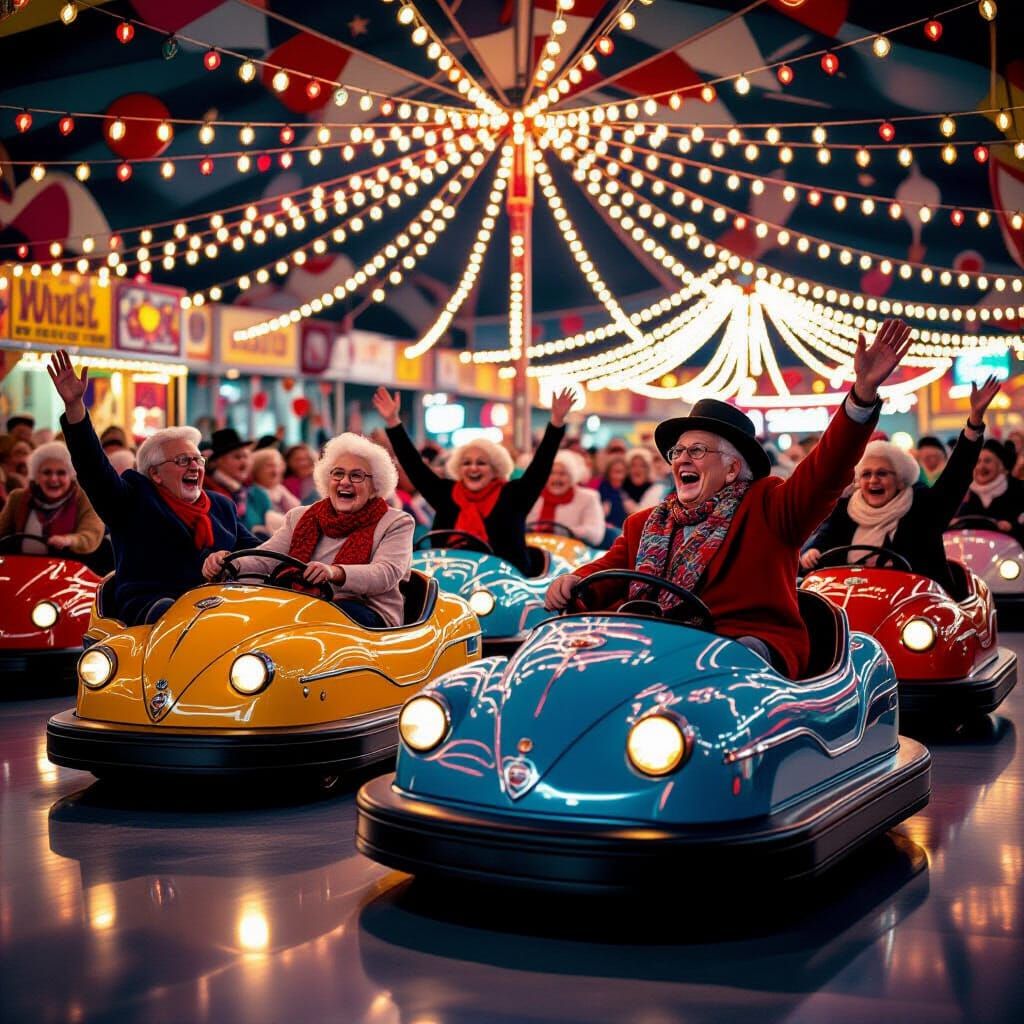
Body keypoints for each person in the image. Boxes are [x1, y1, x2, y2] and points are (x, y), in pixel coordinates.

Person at [545, 320, 915, 679]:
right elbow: (605, 574)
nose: (683, 460)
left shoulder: (769, 506)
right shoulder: (644, 524)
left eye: (699, 450)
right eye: (678, 452)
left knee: (729, 663)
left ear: (733, 469)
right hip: (651, 648)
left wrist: (861, 396)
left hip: (738, 649)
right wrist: (573, 581)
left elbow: (825, 472)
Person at [46, 349, 258, 625]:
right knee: (173, 615)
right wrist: (75, 408)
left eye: (198, 459)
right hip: (153, 609)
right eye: (183, 460)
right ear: (155, 473)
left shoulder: (221, 506)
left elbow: (259, 552)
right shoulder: (131, 500)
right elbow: (93, 467)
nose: (195, 466)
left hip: (218, 609)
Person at [801, 376, 1000, 597]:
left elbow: (956, 478)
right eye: (866, 474)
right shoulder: (845, 510)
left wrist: (974, 422)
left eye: (882, 473)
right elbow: (822, 541)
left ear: (901, 478)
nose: (873, 480)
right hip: (852, 606)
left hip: (914, 607)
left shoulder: (922, 506)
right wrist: (812, 552)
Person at [203, 433, 412, 628]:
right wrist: (228, 563)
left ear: (376, 485)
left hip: (367, 612)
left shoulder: (396, 522)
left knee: (316, 617)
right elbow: (267, 557)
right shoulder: (301, 516)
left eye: (357, 476)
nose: (344, 482)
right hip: (301, 605)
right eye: (338, 473)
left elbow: (385, 573)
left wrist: (334, 572)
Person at [373, 386, 575, 576]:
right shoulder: (446, 494)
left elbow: (541, 466)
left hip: (502, 581)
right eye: (467, 463)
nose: (473, 468)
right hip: (448, 576)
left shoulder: (514, 496)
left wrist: (556, 423)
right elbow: (414, 466)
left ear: (495, 469)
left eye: (481, 463)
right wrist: (393, 422)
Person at [0, 441, 103, 556]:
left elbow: (91, 536)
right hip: (20, 567)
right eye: (47, 472)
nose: (53, 479)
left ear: (71, 477)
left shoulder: (85, 499)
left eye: (61, 473)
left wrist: (69, 540)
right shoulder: (18, 498)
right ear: (36, 476)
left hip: (66, 569)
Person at [527, 450, 605, 546]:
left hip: (570, 553)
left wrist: (567, 531)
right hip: (532, 549)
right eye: (552, 473)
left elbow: (595, 534)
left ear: (572, 476)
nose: (556, 479)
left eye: (562, 474)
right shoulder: (532, 495)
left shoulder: (588, 498)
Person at [956, 437, 1024, 543]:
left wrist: (1012, 527)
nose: (981, 466)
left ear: (1001, 466)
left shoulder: (1018, 490)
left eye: (987, 461)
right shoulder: (966, 492)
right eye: (978, 462)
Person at [245, 447, 299, 535]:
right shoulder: (253, 493)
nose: (275, 471)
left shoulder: (281, 489)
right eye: (269, 466)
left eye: (277, 465)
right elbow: (254, 526)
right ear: (256, 469)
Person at [204, 428, 253, 517]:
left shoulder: (248, 488)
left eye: (246, 456)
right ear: (218, 461)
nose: (244, 462)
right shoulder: (210, 491)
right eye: (237, 457)